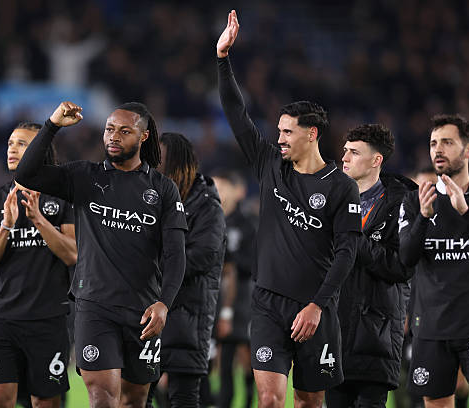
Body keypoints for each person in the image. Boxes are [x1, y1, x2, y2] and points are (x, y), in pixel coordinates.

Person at [216, 10, 362, 407]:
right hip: (267, 304)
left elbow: (347, 252)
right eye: (278, 130)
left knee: (310, 401)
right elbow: (237, 115)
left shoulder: (341, 187)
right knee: (269, 399)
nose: (279, 138)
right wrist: (223, 59)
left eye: (287, 132)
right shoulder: (270, 166)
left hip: (315, 308)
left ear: (311, 134)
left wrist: (317, 305)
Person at [15, 102, 188, 408]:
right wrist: (52, 125)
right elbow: (26, 173)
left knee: (135, 401)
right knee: (102, 399)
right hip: (95, 308)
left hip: (143, 312)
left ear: (144, 136)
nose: (114, 136)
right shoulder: (84, 176)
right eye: (109, 129)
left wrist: (164, 303)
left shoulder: (163, 190)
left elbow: (176, 254)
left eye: (124, 131)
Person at [0, 122, 76, 408]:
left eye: (22, 144)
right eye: (10, 143)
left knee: (45, 403)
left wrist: (39, 221)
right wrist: (6, 226)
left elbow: (73, 254)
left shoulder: (63, 198)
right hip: (2, 319)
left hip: (48, 320)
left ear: (40, 150)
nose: (12, 149)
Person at [324, 124, 416, 407]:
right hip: (334, 330)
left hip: (376, 334)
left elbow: (401, 267)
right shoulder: (331, 200)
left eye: (354, 152)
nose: (344, 158)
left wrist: (355, 240)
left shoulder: (402, 205)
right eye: (345, 151)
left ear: (376, 160)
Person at [399, 114, 469, 408]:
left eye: (447, 142)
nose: (438, 149)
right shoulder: (414, 202)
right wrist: (423, 218)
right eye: (433, 143)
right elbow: (406, 258)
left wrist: (466, 214)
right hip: (432, 328)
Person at [144, 132, 225, 408]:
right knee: (136, 395)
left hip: (188, 316)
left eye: (159, 159)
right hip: (149, 312)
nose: (153, 165)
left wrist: (151, 267)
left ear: (177, 163)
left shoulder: (207, 206)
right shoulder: (151, 199)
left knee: (184, 398)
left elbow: (203, 256)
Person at [212, 169, 256, 408]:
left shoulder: (247, 224)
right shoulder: (211, 220)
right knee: (223, 354)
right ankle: (222, 400)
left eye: (221, 187)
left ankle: (248, 399)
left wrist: (230, 261)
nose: (217, 192)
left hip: (243, 296)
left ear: (234, 191)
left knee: (246, 352)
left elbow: (254, 263)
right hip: (215, 294)